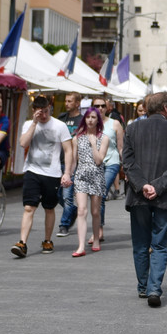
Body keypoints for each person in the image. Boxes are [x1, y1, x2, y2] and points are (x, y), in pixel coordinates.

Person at [122, 92, 167, 308]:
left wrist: (143, 185)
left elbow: (128, 163)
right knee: (159, 244)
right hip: (165, 195)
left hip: (139, 195)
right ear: (166, 108)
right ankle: (154, 288)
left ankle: (143, 286)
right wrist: (157, 186)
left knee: (140, 243)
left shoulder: (132, 128)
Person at [11, 96, 74, 258]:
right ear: (34, 111)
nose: (44, 115)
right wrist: (34, 123)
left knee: (49, 207)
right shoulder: (28, 124)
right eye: (41, 112)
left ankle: (47, 240)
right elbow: (23, 143)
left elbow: (68, 150)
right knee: (28, 207)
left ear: (50, 108)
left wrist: (67, 172)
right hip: (32, 170)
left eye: (47, 111)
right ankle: (22, 243)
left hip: (52, 173)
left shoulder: (60, 126)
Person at [69, 106, 109, 257]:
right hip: (81, 176)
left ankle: (96, 239)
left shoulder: (103, 138)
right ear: (84, 119)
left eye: (93, 117)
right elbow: (74, 161)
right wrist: (68, 175)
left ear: (98, 120)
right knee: (81, 210)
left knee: (95, 211)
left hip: (97, 176)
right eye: (88, 117)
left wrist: (93, 143)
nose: (90, 120)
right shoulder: (76, 138)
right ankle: (80, 246)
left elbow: (99, 160)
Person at [90, 95, 125, 238]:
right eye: (97, 106)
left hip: (112, 162)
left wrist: (126, 167)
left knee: (101, 192)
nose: (100, 109)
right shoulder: (89, 123)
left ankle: (98, 230)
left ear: (107, 108)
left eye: (103, 106)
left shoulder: (115, 124)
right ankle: (99, 227)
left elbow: (121, 147)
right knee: (97, 196)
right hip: (94, 164)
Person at [56, 92, 83, 238]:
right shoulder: (61, 118)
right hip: (57, 160)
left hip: (73, 162)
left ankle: (64, 225)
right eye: (66, 101)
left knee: (67, 194)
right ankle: (72, 210)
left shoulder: (82, 120)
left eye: (70, 101)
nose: (67, 103)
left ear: (77, 103)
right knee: (57, 194)